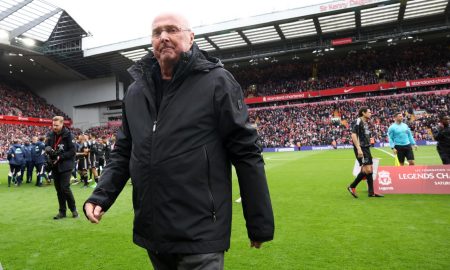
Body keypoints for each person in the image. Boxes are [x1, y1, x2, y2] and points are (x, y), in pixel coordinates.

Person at [84, 13, 274, 270]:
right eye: (157, 32)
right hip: (154, 233)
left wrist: (259, 223)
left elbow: (246, 153)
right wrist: (100, 196)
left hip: (201, 233)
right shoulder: (136, 91)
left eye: (172, 29)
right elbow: (124, 152)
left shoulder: (217, 81)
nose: (163, 37)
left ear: (191, 37)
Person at [46, 116, 78, 219]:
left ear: (62, 124)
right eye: (53, 125)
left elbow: (73, 151)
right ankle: (62, 212)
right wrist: (48, 148)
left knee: (65, 188)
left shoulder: (69, 135)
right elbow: (46, 145)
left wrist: (60, 156)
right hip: (54, 165)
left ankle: (73, 209)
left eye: (56, 125)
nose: (54, 127)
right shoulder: (50, 134)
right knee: (59, 189)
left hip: (66, 165)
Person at [347, 107, 383, 198]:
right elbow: (353, 135)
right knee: (367, 170)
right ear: (363, 113)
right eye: (369, 112)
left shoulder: (366, 123)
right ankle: (352, 186)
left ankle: (371, 192)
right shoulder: (358, 121)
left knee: (369, 169)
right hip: (361, 148)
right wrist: (359, 148)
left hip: (366, 148)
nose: (371, 113)